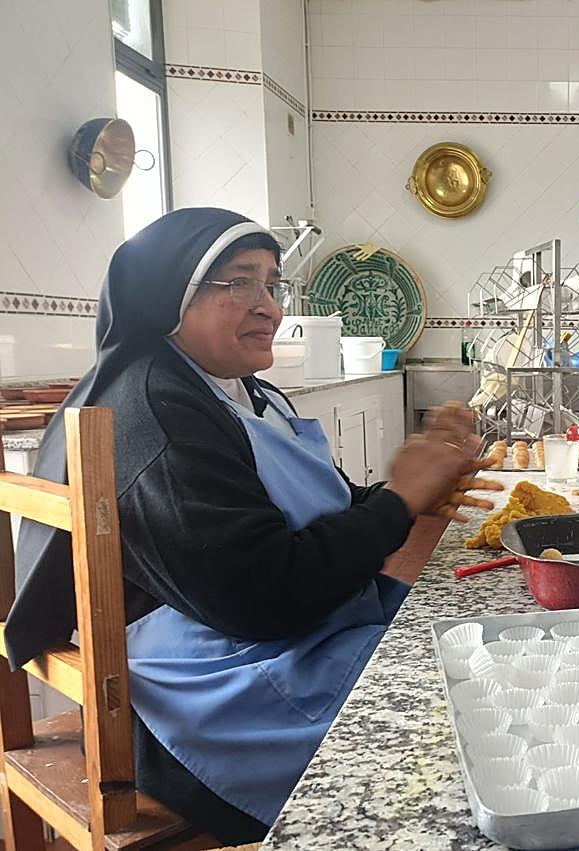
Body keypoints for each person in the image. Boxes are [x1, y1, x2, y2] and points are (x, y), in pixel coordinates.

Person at [3, 208, 501, 844]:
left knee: (489, 654)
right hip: (214, 704)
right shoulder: (155, 415)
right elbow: (261, 593)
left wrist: (417, 494)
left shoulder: (243, 392)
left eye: (271, 284)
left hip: (287, 643)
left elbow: (320, 510)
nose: (268, 306)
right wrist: (398, 502)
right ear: (171, 298)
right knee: (472, 723)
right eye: (239, 283)